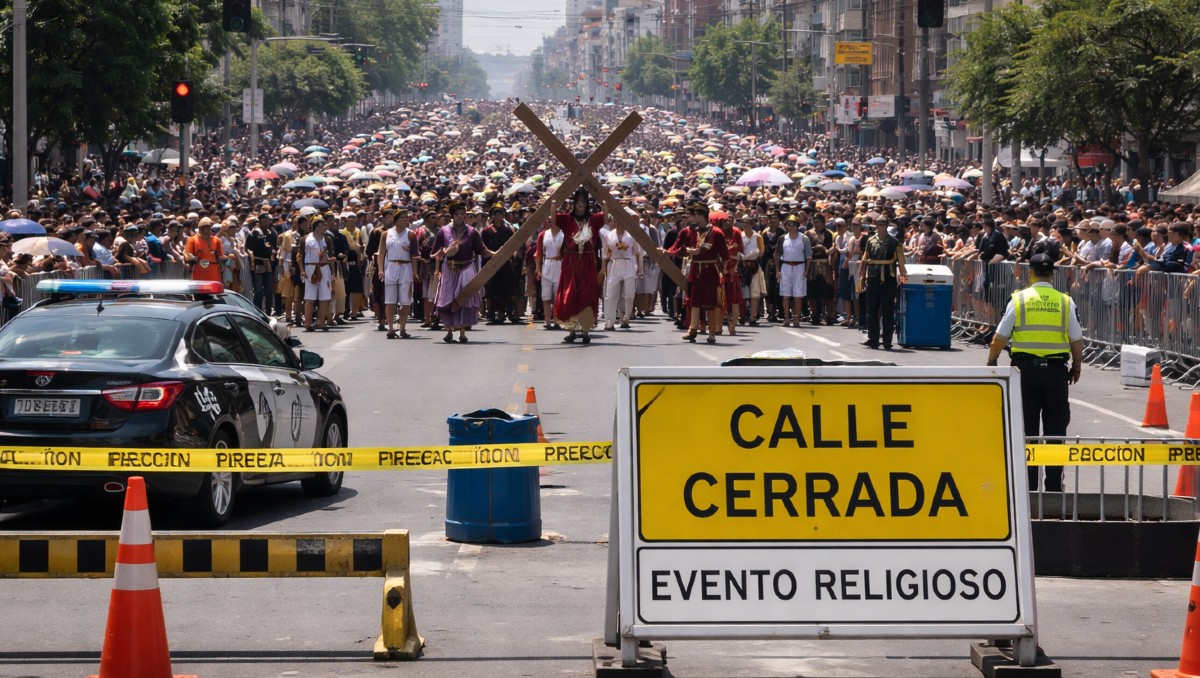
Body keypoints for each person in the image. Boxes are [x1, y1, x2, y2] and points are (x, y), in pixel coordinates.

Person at [986, 253, 1084, 493]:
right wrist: (1077, 366)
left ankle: (1026, 489)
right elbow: (1077, 339)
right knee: (1055, 431)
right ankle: (1052, 489)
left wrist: (992, 361)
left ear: (1030, 273)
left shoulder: (1018, 300)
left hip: (1024, 373)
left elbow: (1000, 337)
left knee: (1026, 430)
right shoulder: (1064, 301)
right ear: (1052, 274)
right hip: (1056, 374)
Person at [663, 202, 727, 344]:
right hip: (695, 268)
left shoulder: (715, 232)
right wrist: (667, 252)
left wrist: (724, 270)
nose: (693, 217)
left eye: (696, 214)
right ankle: (692, 329)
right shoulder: (690, 231)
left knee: (710, 302)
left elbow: (720, 252)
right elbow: (678, 247)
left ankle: (711, 332)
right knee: (694, 301)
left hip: (710, 270)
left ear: (703, 215)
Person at [431, 201, 493, 343]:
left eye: (463, 214)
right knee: (448, 299)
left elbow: (481, 250)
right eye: (458, 214)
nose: (461, 217)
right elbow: (435, 253)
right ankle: (449, 331)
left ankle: (463, 332)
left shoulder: (472, 232)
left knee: (465, 299)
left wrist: (495, 253)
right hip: (449, 269)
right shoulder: (444, 231)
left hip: (466, 268)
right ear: (452, 216)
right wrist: (446, 252)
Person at [554, 188, 604, 344]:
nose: (580, 205)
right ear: (574, 204)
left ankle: (586, 331)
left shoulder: (593, 220)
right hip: (571, 262)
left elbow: (606, 214)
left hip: (587, 262)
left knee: (587, 295)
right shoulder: (566, 219)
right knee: (569, 295)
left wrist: (604, 200)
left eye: (583, 202)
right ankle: (571, 331)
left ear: (586, 204)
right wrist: (555, 201)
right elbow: (553, 216)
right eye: (578, 202)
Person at [857, 222, 907, 349]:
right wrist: (861, 276)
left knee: (887, 310)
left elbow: (901, 261)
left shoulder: (895, 242)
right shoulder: (871, 240)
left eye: (883, 224)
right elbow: (865, 257)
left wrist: (903, 277)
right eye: (879, 224)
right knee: (871, 309)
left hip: (888, 278)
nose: (881, 227)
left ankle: (887, 340)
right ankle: (873, 338)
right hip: (873, 277)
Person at [378, 206, 419, 339]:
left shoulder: (411, 234)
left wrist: (415, 272)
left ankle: (402, 327)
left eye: (407, 218)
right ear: (396, 220)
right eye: (403, 218)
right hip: (391, 265)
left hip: (405, 267)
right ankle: (390, 328)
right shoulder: (386, 234)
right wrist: (380, 270)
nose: (406, 220)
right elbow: (381, 253)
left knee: (405, 300)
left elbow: (414, 255)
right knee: (390, 300)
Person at [601, 213, 642, 330]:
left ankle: (627, 317)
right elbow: (605, 253)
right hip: (614, 263)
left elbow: (638, 252)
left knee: (629, 294)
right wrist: (604, 268)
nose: (618, 222)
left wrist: (639, 268)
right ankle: (610, 320)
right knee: (611, 293)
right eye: (616, 220)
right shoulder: (609, 235)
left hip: (628, 263)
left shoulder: (631, 235)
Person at [774, 215, 810, 327]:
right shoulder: (782, 238)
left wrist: (806, 270)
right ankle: (787, 318)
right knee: (785, 295)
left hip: (799, 267)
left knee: (798, 296)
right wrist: (777, 270)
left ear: (797, 226)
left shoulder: (804, 238)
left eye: (793, 224)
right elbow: (776, 255)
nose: (791, 227)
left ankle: (796, 317)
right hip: (786, 267)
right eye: (789, 224)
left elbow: (809, 256)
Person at [302, 216, 333, 332]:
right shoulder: (310, 240)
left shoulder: (323, 239)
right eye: (323, 225)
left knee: (324, 297)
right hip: (313, 267)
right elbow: (320, 256)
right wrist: (330, 260)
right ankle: (308, 323)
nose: (325, 227)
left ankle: (321, 322)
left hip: (324, 268)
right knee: (310, 297)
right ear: (317, 227)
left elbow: (324, 256)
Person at [535, 214, 564, 330]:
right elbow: (538, 253)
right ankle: (547, 320)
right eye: (549, 220)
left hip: (560, 265)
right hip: (547, 264)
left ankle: (557, 320)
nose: (550, 223)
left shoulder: (564, 234)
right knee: (546, 295)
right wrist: (538, 269)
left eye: (552, 220)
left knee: (558, 295)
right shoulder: (543, 235)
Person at [184, 217, 225, 283]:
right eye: (207, 227)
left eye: (209, 227)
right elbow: (187, 254)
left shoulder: (217, 240)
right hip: (199, 269)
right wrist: (189, 263)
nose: (209, 229)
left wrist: (222, 264)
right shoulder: (192, 240)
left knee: (214, 290)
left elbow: (221, 255)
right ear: (201, 228)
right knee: (200, 290)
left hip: (213, 269)